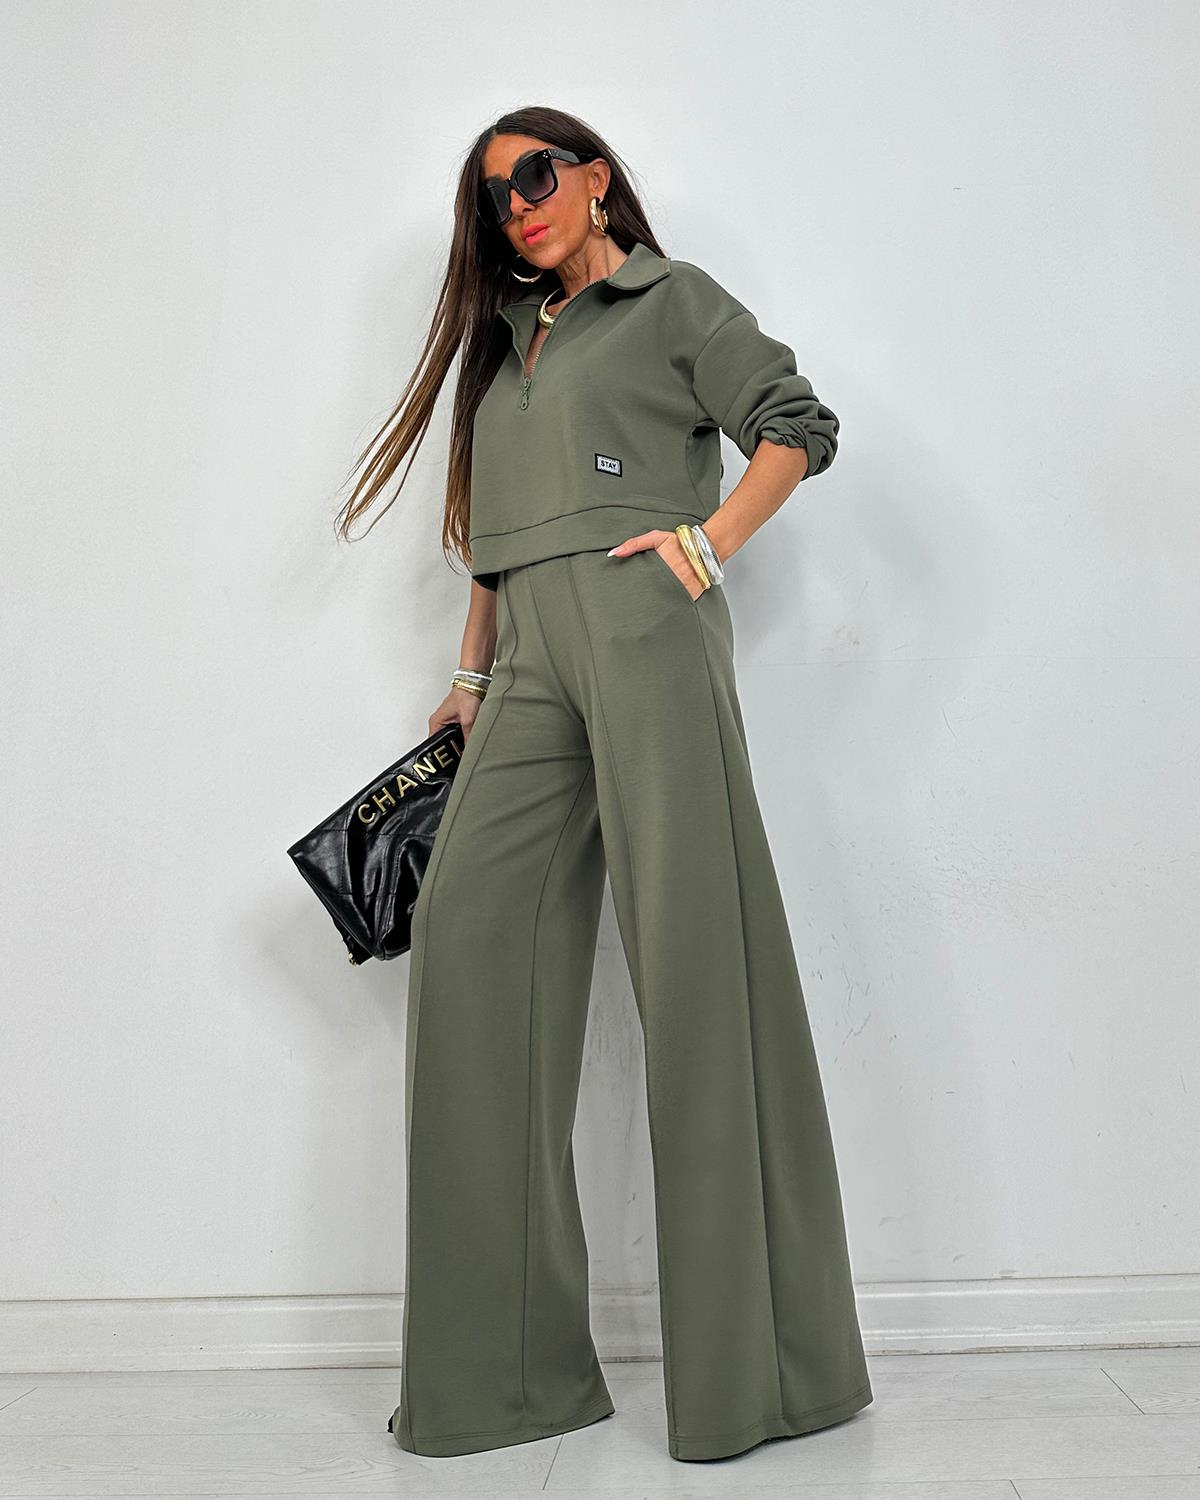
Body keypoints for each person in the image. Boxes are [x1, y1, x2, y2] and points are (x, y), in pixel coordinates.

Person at [337, 105, 873, 1464]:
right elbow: (489, 545)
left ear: (591, 178)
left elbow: (795, 425)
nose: (515, 204)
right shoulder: (510, 346)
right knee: (469, 945)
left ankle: (765, 1378)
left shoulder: (671, 302)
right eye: (492, 196)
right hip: (526, 669)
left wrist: (707, 545)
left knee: (697, 974)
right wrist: (468, 680)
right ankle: (507, 1379)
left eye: (533, 174)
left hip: (647, 639)